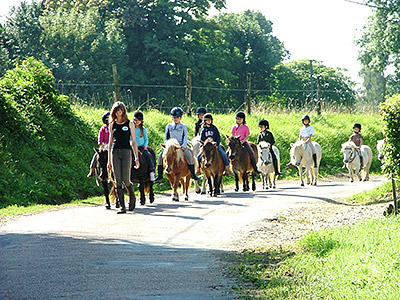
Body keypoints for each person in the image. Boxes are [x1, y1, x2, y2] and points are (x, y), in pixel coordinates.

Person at [107, 102, 140, 214]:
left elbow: (134, 142)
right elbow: (110, 143)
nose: (119, 113)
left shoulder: (129, 123)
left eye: (120, 111)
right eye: (117, 111)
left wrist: (136, 157)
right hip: (115, 152)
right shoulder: (112, 125)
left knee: (126, 179)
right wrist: (109, 161)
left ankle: (132, 197)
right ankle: (122, 206)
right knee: (118, 180)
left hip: (126, 152)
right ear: (114, 112)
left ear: (123, 111)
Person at [155, 107, 201, 181]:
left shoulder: (183, 126)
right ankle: (160, 174)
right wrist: (166, 145)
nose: (175, 119)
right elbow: (166, 136)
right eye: (174, 117)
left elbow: (185, 136)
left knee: (189, 156)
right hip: (170, 146)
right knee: (160, 156)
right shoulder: (169, 126)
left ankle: (193, 173)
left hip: (180, 145)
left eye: (177, 117)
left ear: (180, 117)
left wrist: (183, 145)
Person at [133, 111, 156, 181]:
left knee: (148, 156)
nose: (137, 122)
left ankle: (152, 171)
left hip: (141, 147)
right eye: (135, 120)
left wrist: (145, 145)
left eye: (138, 120)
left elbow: (146, 139)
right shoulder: (132, 129)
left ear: (141, 121)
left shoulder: (143, 130)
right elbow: (130, 138)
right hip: (133, 147)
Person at [87, 111, 110, 178]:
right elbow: (100, 138)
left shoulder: (114, 127)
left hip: (111, 147)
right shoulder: (103, 128)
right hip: (104, 147)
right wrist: (101, 145)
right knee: (96, 156)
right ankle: (92, 169)